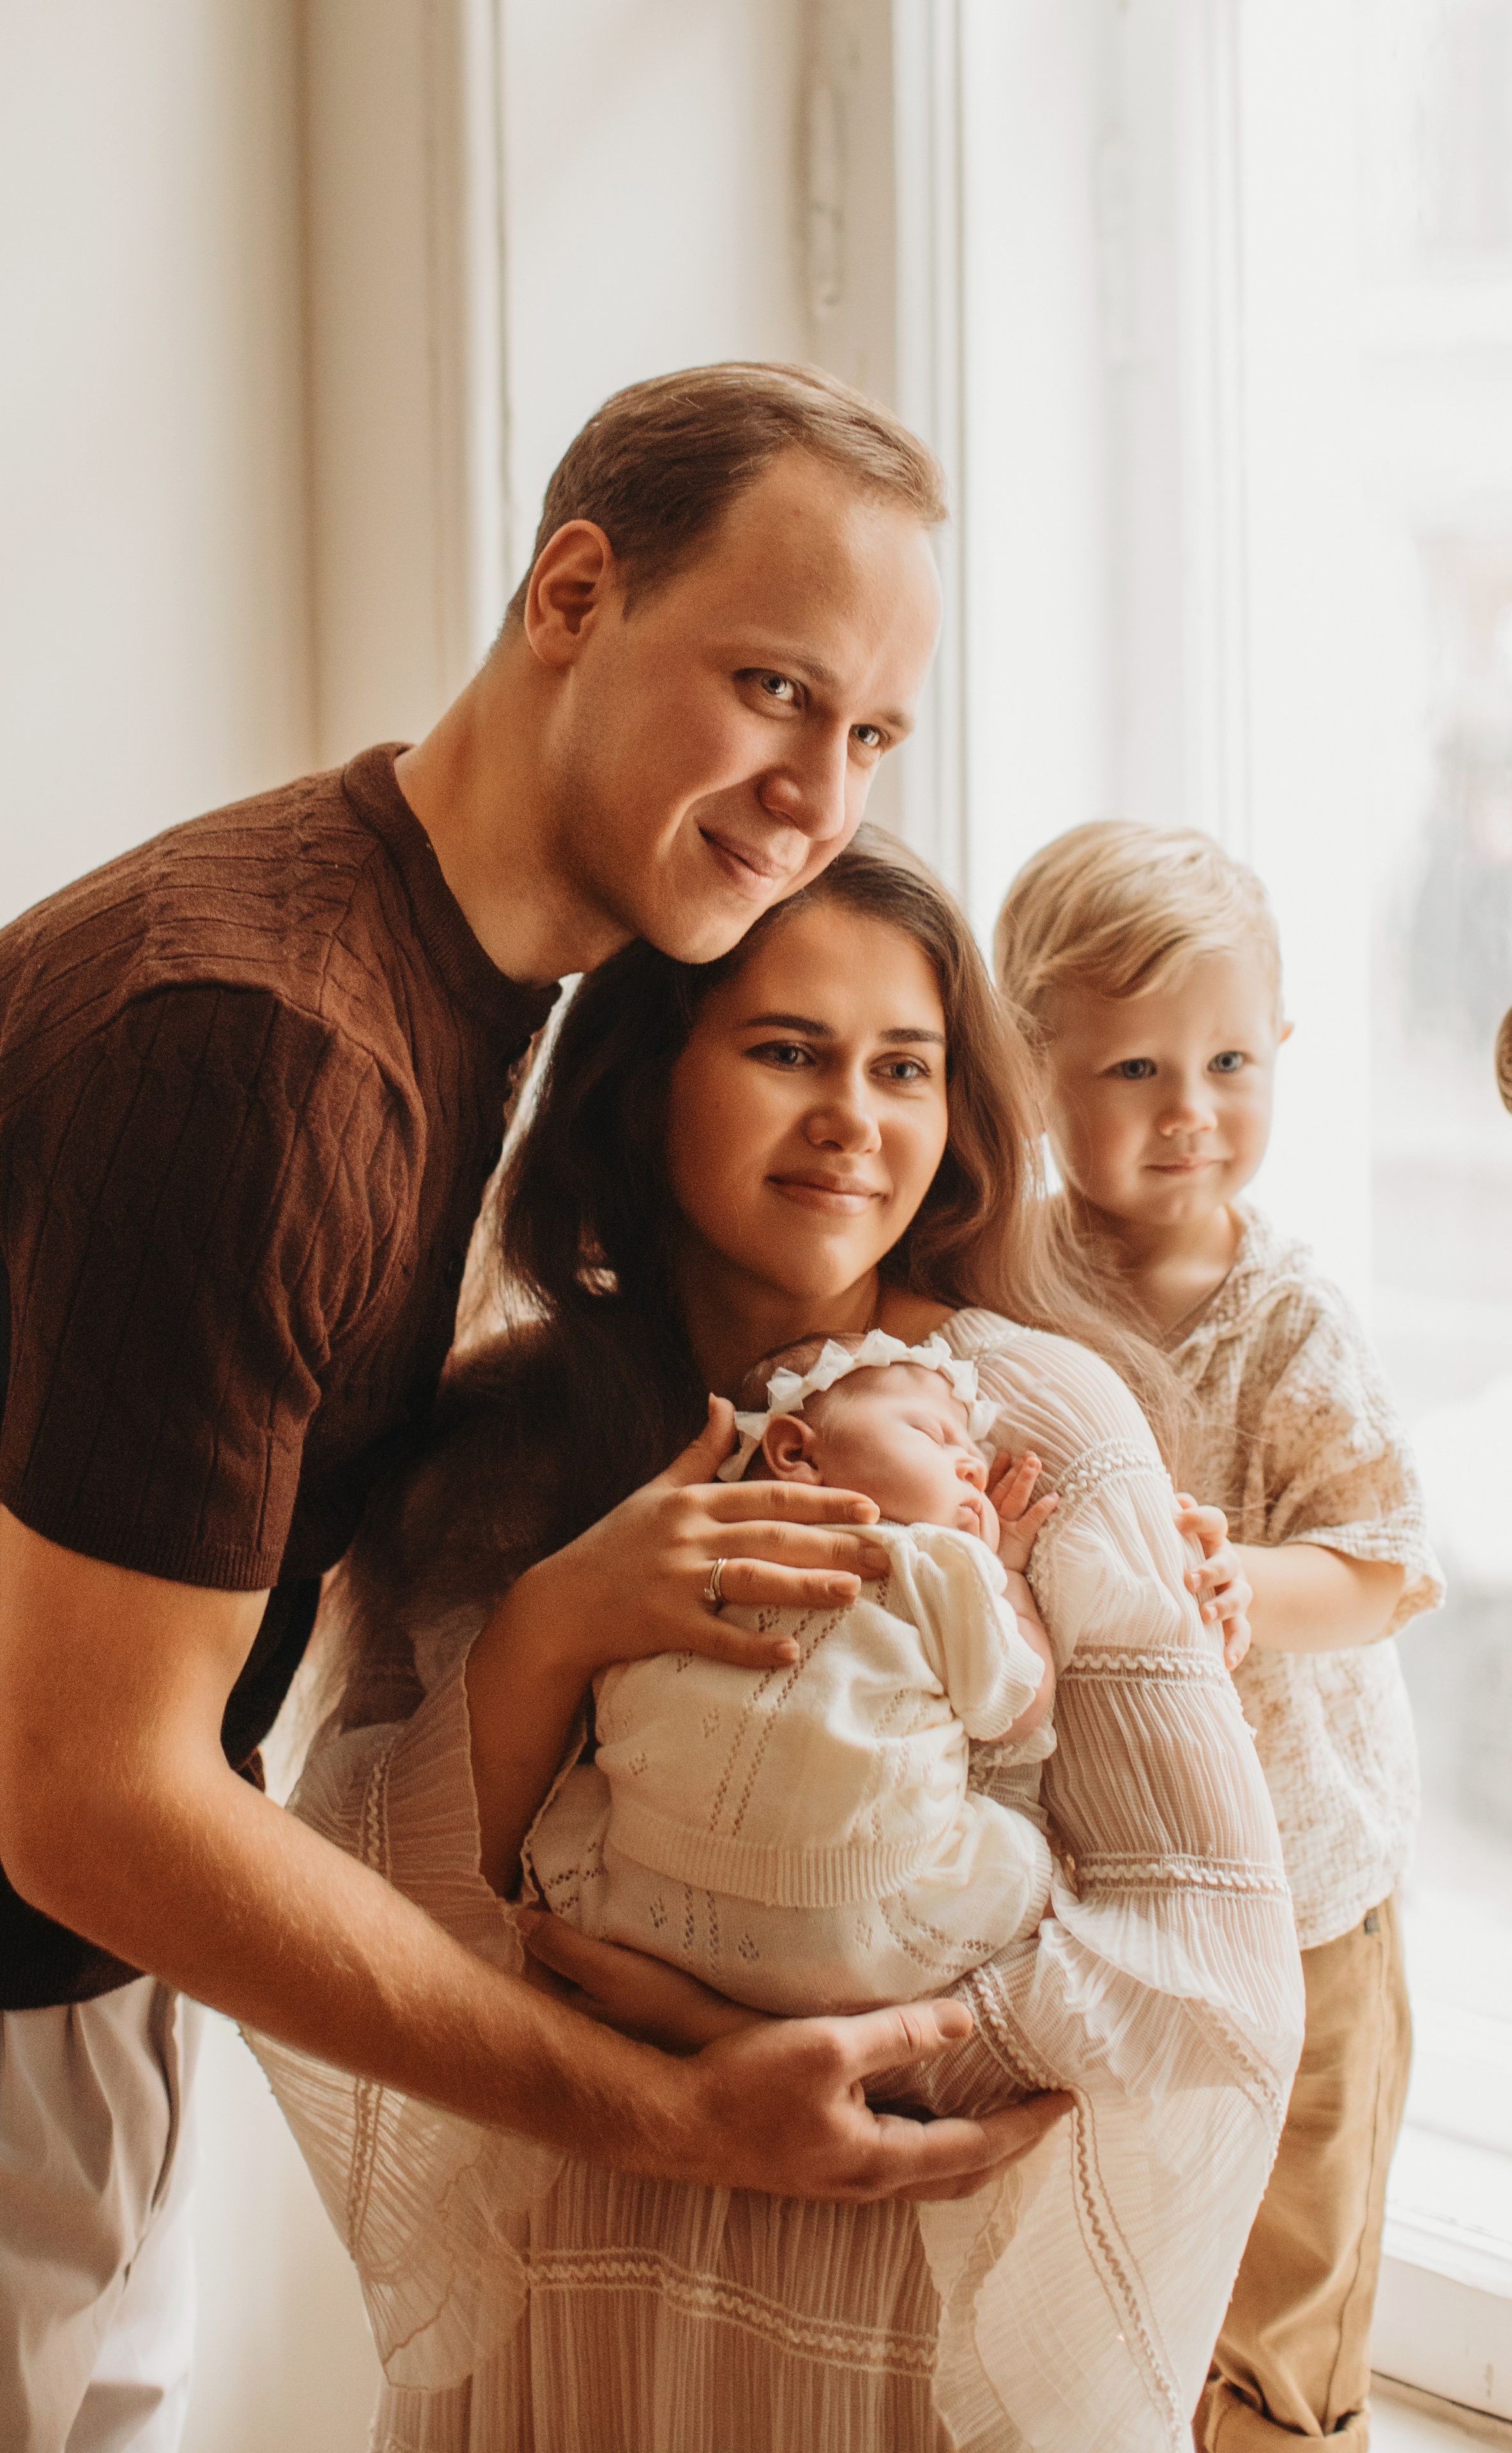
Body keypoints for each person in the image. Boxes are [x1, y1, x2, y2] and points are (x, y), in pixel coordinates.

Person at [0, 362, 1069, 2453]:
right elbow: (86, 1788)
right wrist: (675, 2118)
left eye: (869, 736)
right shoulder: (266, 1039)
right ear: (572, 592)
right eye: (774, 686)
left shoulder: (452, 981)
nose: (812, 795)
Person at [250, 827, 1304, 2451]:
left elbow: (1215, 1968)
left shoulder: (1037, 1423)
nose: (852, 1119)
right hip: (571, 2321)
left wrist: (747, 2047)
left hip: (889, 2334)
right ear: (641, 1086)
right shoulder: (500, 1441)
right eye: (787, 1051)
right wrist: (554, 1628)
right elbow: (349, 1919)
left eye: (903, 1066)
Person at [997, 822, 1445, 2453]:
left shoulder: (1288, 1316)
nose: (1189, 1109)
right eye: (1131, 1067)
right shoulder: (1011, 1287)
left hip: (1305, 1872)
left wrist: (1252, 1585)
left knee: (1294, 2241)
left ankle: (1277, 2422)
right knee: (1117, 2223)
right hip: (1109, 1878)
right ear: (1028, 1071)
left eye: (1228, 1059)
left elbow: (1384, 1562)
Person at [524, 1329, 1061, 2016]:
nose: (970, 1469)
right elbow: (1016, 1710)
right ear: (795, 1452)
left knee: (576, 1795)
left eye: (975, 1460)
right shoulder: (935, 1563)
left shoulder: (680, 1549)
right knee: (1021, 1859)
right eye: (935, 1435)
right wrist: (1006, 1577)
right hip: (859, 1928)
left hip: (637, 1896)